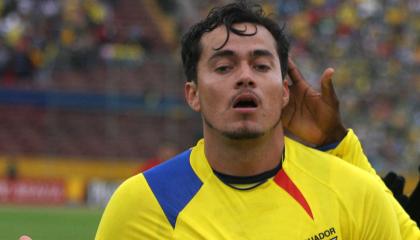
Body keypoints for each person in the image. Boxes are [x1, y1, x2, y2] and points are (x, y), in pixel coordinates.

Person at [95, 1, 418, 239]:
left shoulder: (356, 191)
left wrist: (339, 146)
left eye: (261, 66)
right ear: (192, 94)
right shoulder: (142, 205)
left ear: (285, 92)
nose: (245, 77)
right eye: (224, 67)